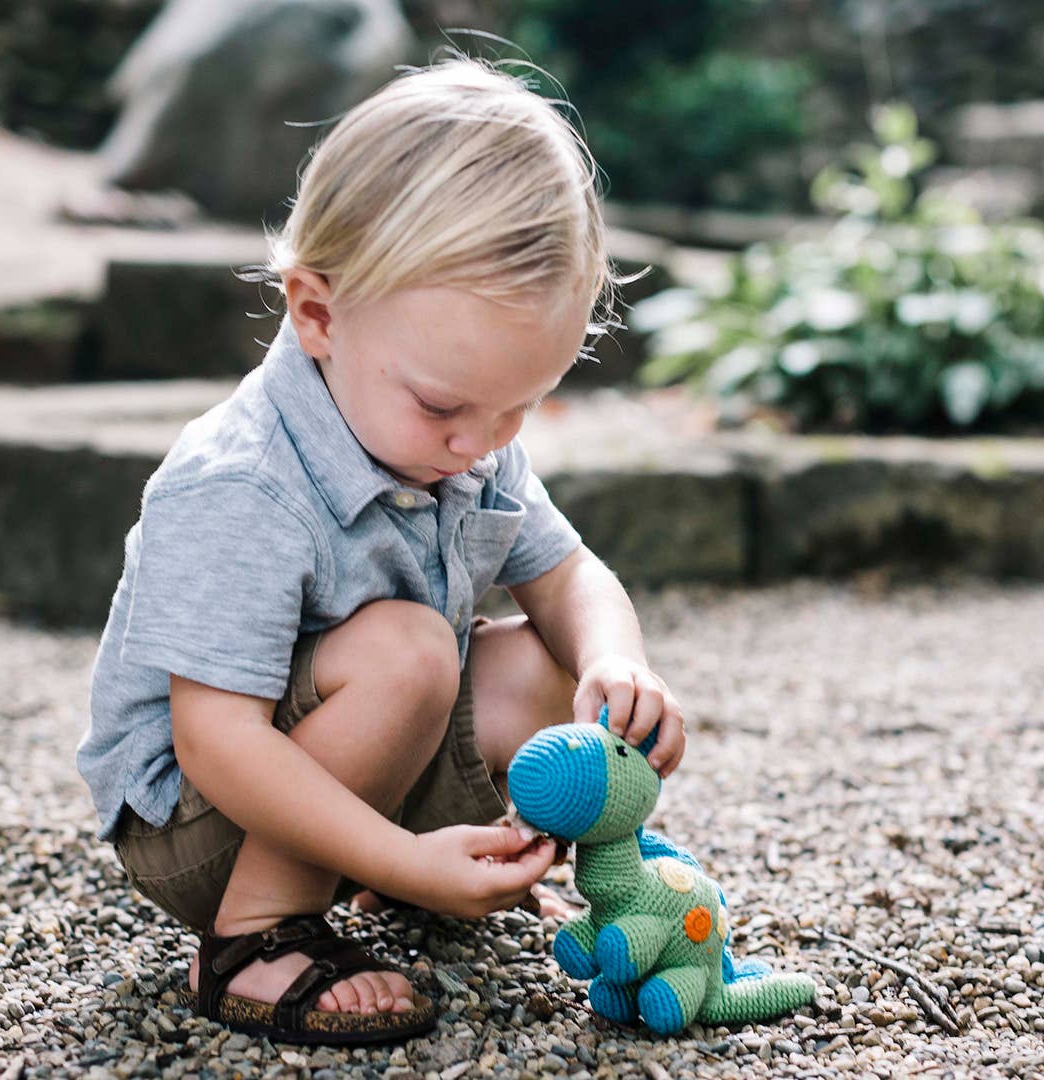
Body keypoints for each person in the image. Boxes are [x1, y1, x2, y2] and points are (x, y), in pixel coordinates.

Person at [77, 57, 687, 1045]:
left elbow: (572, 574)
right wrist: (400, 864)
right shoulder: (243, 483)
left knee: (547, 660)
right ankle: (258, 936)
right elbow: (216, 741)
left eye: (521, 402)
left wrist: (619, 664)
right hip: (205, 827)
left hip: (361, 767)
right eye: (446, 405)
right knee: (408, 645)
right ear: (317, 313)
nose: (483, 441)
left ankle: (433, 868)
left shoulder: (465, 436)